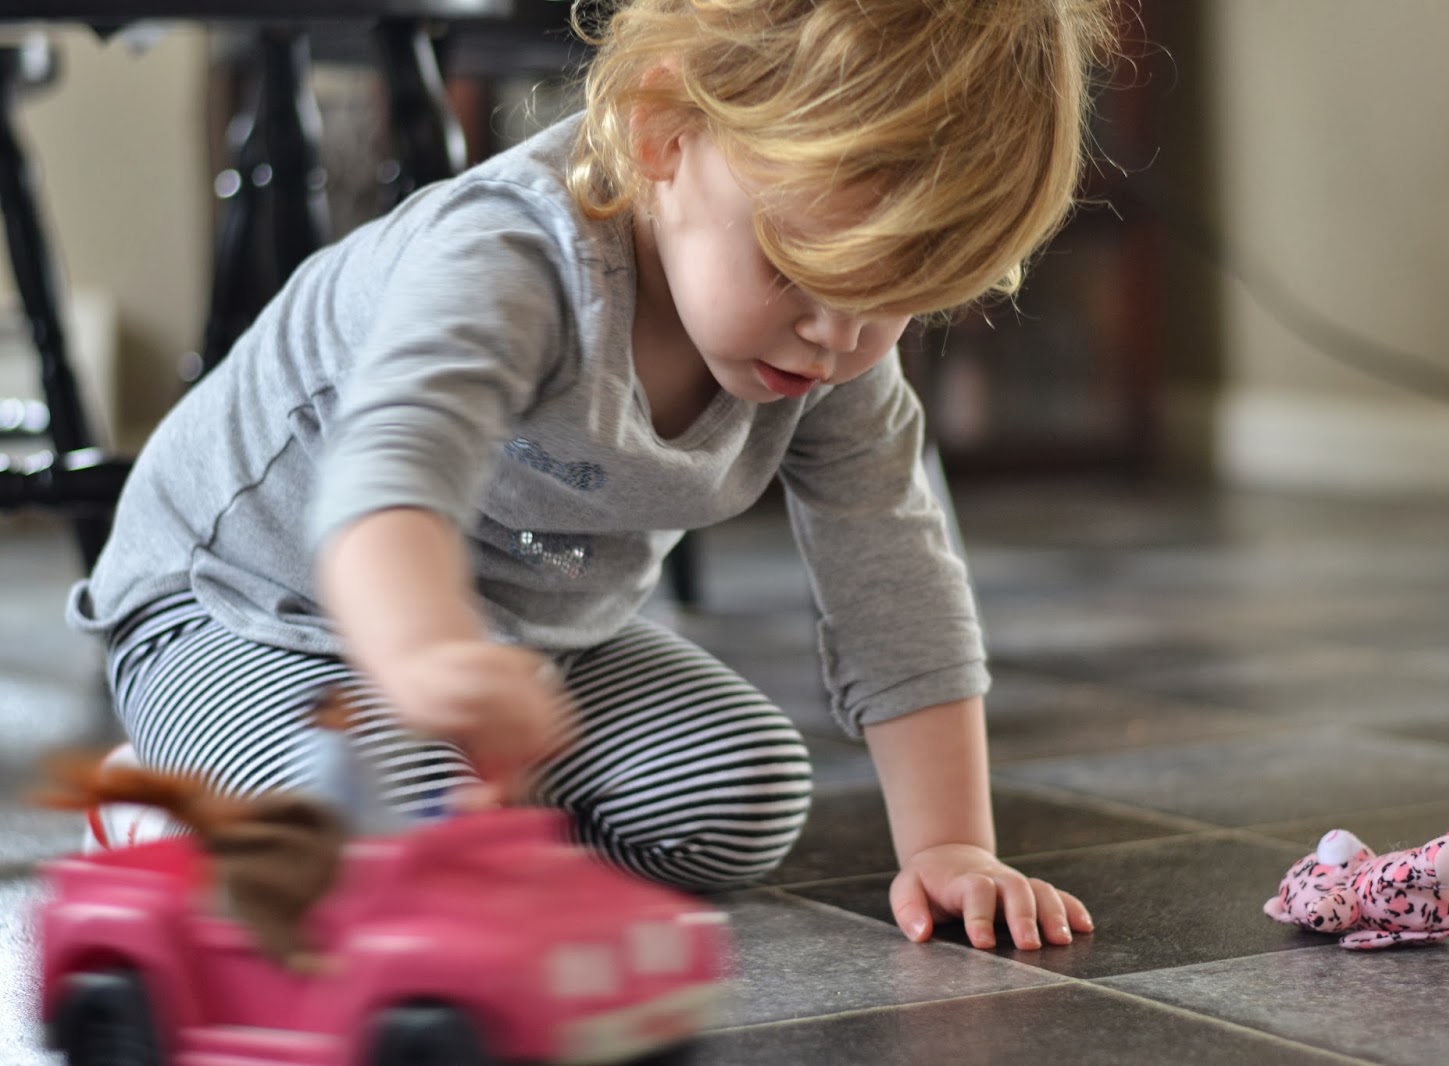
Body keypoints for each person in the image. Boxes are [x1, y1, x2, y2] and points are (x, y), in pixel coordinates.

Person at [66, 0, 1115, 951]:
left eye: (889, 296)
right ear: (664, 132)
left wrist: (950, 844)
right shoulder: (505, 260)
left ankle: (463, 838)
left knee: (743, 795)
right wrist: (426, 652)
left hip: (519, 638)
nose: (835, 335)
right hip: (244, 609)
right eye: (796, 268)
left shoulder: (829, 349)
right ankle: (170, 812)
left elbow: (895, 570)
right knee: (392, 822)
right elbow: (390, 473)